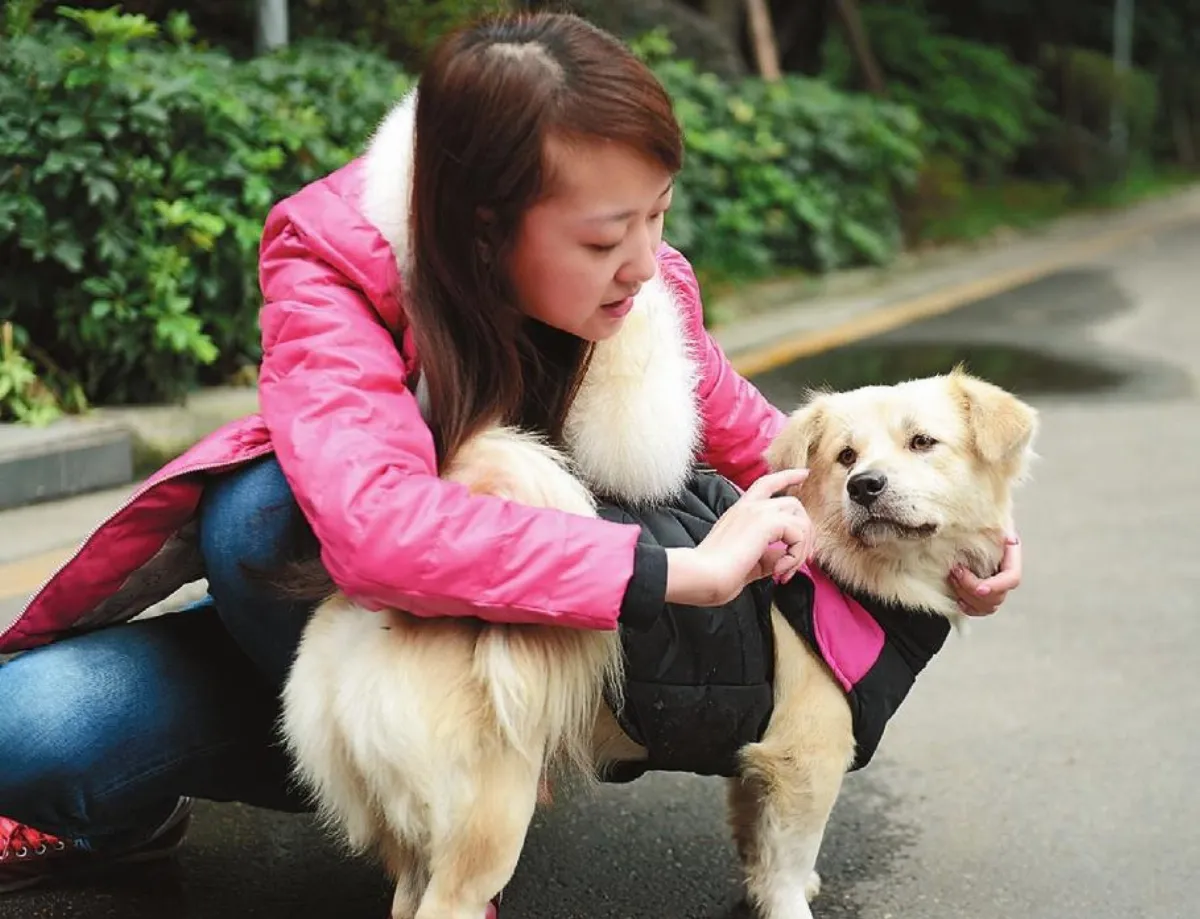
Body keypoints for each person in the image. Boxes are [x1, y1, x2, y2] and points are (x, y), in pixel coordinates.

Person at [0, 10, 1023, 914]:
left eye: (658, 215)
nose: (646, 261)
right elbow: (374, 528)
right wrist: (673, 573)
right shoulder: (333, 259)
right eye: (607, 234)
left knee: (254, 555)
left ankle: (469, 799)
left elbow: (758, 433)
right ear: (482, 226)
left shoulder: (643, 293)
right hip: (347, 612)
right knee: (185, 586)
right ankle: (429, 775)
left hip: (459, 638)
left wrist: (951, 533)